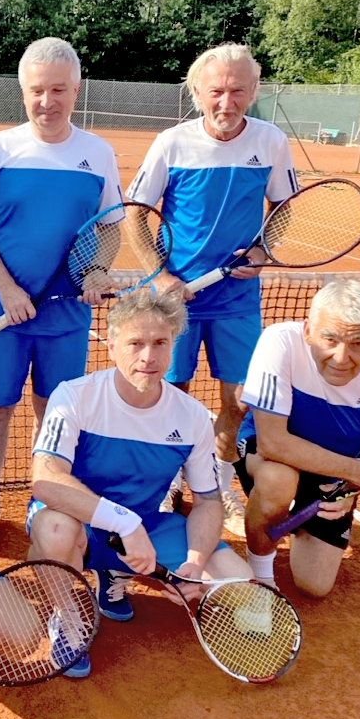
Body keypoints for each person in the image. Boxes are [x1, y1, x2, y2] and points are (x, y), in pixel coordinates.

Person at [27, 288, 253, 679]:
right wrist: (125, 525)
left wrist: (195, 563)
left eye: (160, 343)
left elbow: (208, 502)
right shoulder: (75, 397)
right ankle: (67, 616)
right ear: (112, 346)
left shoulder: (192, 417)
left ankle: (114, 573)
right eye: (136, 343)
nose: (148, 357)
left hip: (145, 528)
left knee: (241, 582)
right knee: (55, 528)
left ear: (173, 346)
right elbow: (46, 480)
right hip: (81, 522)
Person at [125, 43, 298, 536]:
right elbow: (136, 212)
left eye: (238, 90)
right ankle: (167, 481)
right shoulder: (171, 143)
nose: (227, 102)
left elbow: (284, 205)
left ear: (254, 91)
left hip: (236, 301)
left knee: (238, 400)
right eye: (216, 91)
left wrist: (264, 250)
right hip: (175, 302)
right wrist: (161, 274)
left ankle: (219, 486)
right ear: (197, 92)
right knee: (166, 394)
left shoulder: (270, 142)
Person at [0, 37, 123, 504]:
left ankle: (46, 501)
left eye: (58, 90)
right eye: (37, 90)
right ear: (23, 91)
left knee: (53, 413)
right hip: (4, 311)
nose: (46, 101)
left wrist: (97, 270)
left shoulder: (98, 154)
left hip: (67, 316)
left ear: (76, 90)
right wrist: (8, 289)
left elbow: (111, 227)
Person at [236, 280, 360, 598]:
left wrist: (353, 487)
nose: (341, 357)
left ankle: (295, 517)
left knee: (314, 586)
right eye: (330, 339)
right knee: (279, 479)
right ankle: (261, 579)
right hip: (269, 457)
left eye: (359, 343)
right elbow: (272, 443)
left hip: (334, 476)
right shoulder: (281, 341)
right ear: (308, 331)